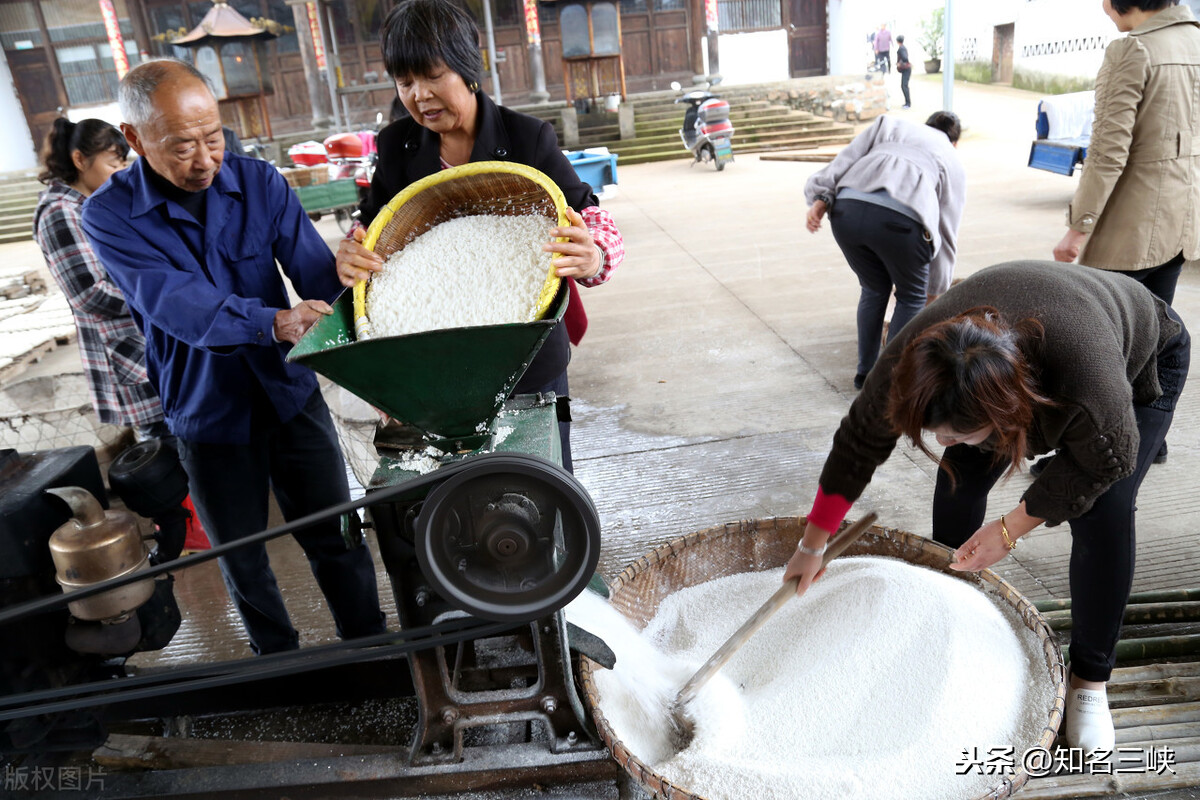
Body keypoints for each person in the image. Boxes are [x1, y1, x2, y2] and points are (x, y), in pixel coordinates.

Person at [783, 261, 1189, 754]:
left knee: (1104, 510)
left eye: (954, 431)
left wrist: (1010, 527)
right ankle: (949, 601)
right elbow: (857, 443)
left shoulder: (1085, 380)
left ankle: (1089, 680)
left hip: (1142, 353)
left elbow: (1110, 458)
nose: (942, 439)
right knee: (960, 475)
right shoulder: (918, 358)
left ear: (1006, 414)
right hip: (1011, 361)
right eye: (935, 430)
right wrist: (812, 544)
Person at [81, 58, 387, 656]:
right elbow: (174, 301)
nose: (203, 160)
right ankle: (279, 663)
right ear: (135, 139)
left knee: (336, 534)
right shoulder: (108, 214)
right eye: (181, 146)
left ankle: (370, 647)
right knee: (240, 556)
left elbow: (315, 275)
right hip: (206, 406)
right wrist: (271, 321)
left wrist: (355, 271)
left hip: (288, 391)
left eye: (213, 137)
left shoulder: (259, 182)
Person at [335, 0, 624, 474]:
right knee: (462, 501)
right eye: (405, 82)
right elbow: (372, 228)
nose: (419, 95)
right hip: (433, 364)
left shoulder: (528, 139)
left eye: (432, 75)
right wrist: (352, 253)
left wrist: (593, 257)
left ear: (467, 67)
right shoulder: (395, 146)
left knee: (542, 486)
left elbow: (589, 217)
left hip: (526, 360)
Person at [1048, 0, 1199, 470]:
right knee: (1152, 335)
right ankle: (1150, 439)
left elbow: (1107, 151)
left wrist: (1078, 227)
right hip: (1181, 220)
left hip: (1130, 229)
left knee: (1095, 346)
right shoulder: (1195, 40)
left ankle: (1090, 452)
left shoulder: (1132, 50)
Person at [803, 111, 966, 389]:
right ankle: (886, 382)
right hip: (901, 221)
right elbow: (946, 227)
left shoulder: (890, 124)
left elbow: (846, 158)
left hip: (847, 211)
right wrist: (936, 288)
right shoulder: (951, 159)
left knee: (874, 288)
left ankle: (864, 374)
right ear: (955, 143)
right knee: (911, 296)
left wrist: (820, 198)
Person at [33, 118, 166, 442]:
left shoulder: (90, 205)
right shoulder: (60, 212)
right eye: (112, 162)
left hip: (140, 342)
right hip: (127, 351)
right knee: (165, 445)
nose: (120, 172)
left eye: (123, 162)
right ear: (80, 160)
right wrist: (160, 300)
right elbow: (89, 293)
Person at [896, 34, 912, 108]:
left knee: (904, 86)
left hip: (906, 69)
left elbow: (905, 58)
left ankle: (908, 103)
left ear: (897, 41)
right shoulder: (903, 48)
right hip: (907, 69)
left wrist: (900, 63)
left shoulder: (901, 49)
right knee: (904, 86)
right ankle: (907, 102)